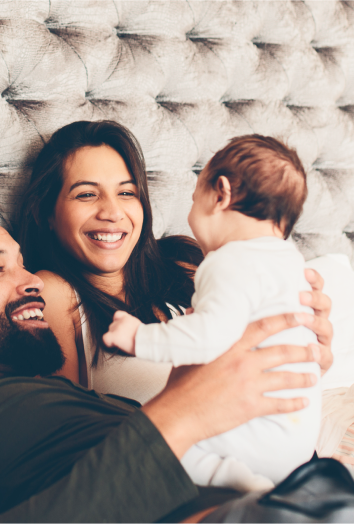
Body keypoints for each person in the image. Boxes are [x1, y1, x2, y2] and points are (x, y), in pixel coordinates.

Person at [0, 215, 321, 524]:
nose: (32, 283)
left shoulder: (99, 405)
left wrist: (279, 376)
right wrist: (177, 418)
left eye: (24, 265)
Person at [18, 121, 334, 405]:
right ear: (46, 213)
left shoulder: (187, 261)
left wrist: (313, 352)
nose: (113, 212)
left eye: (127, 192)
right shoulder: (52, 293)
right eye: (86, 195)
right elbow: (63, 433)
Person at [104, 135, 321, 492]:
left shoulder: (229, 260)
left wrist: (140, 337)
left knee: (167, 451)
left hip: (256, 434)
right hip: (296, 435)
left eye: (194, 199)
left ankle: (239, 484)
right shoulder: (291, 264)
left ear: (220, 194)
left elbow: (207, 339)